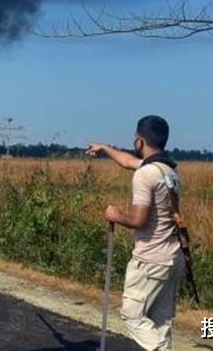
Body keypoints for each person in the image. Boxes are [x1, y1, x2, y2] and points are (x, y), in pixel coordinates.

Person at [87, 115, 184, 351]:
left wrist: (115, 215)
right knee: (160, 322)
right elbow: (128, 161)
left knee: (132, 315)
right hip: (172, 257)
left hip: (151, 260)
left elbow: (139, 220)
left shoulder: (145, 175)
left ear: (140, 140)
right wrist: (105, 148)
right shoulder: (167, 171)